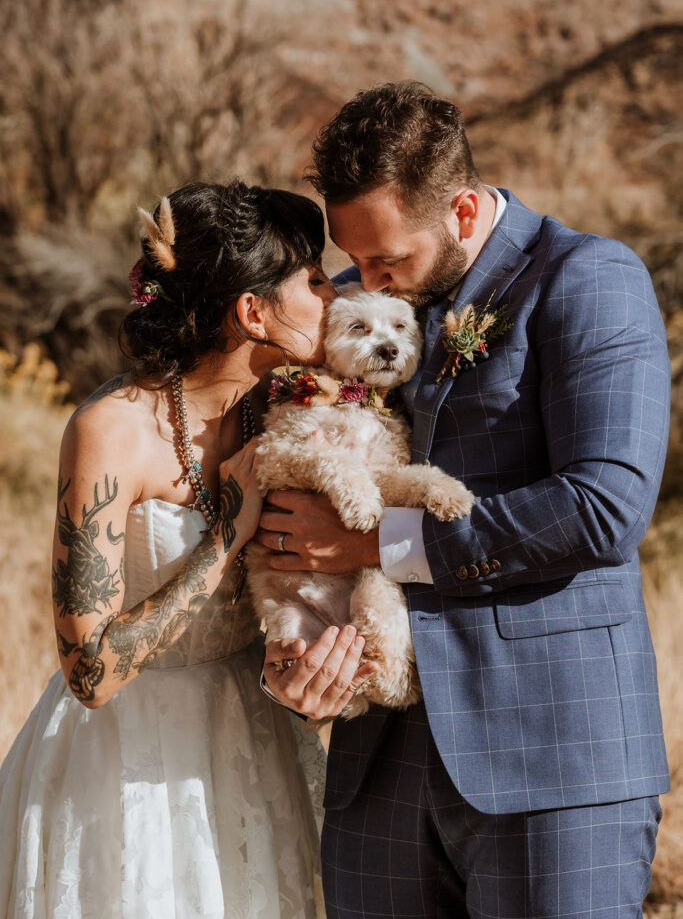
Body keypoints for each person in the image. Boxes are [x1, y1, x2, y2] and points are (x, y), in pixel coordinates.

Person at [260, 82, 671, 918]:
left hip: (550, 754)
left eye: (388, 261)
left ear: (462, 209)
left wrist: (377, 544)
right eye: (354, 259)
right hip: (378, 761)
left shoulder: (585, 279)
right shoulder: (357, 297)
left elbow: (604, 506)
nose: (363, 282)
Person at [0, 180, 377, 919]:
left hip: (252, 749)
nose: (336, 294)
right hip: (123, 768)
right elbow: (90, 673)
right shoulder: (112, 430)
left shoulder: (288, 413)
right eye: (314, 277)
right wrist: (227, 532)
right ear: (251, 312)